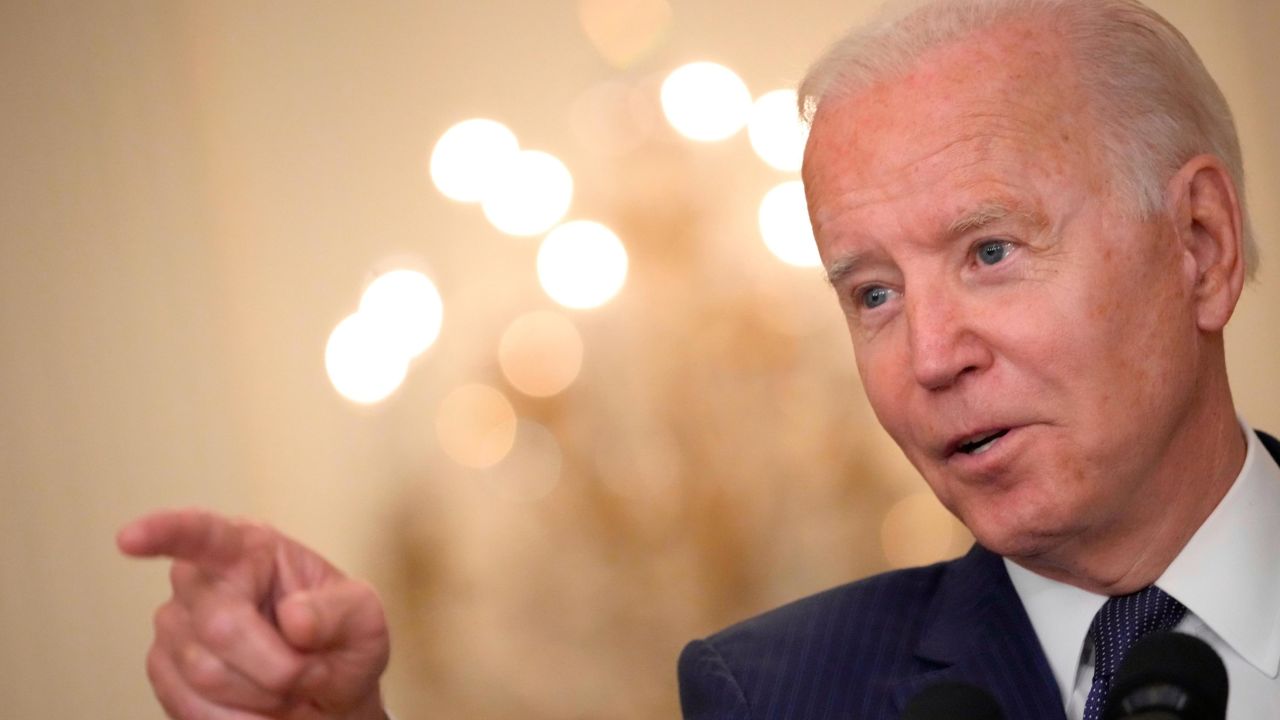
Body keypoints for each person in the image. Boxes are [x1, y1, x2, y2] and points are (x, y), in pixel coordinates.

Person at [118, 0, 1276, 718]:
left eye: (986, 251)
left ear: (1199, 248)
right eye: (870, 291)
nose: (924, 356)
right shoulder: (775, 694)